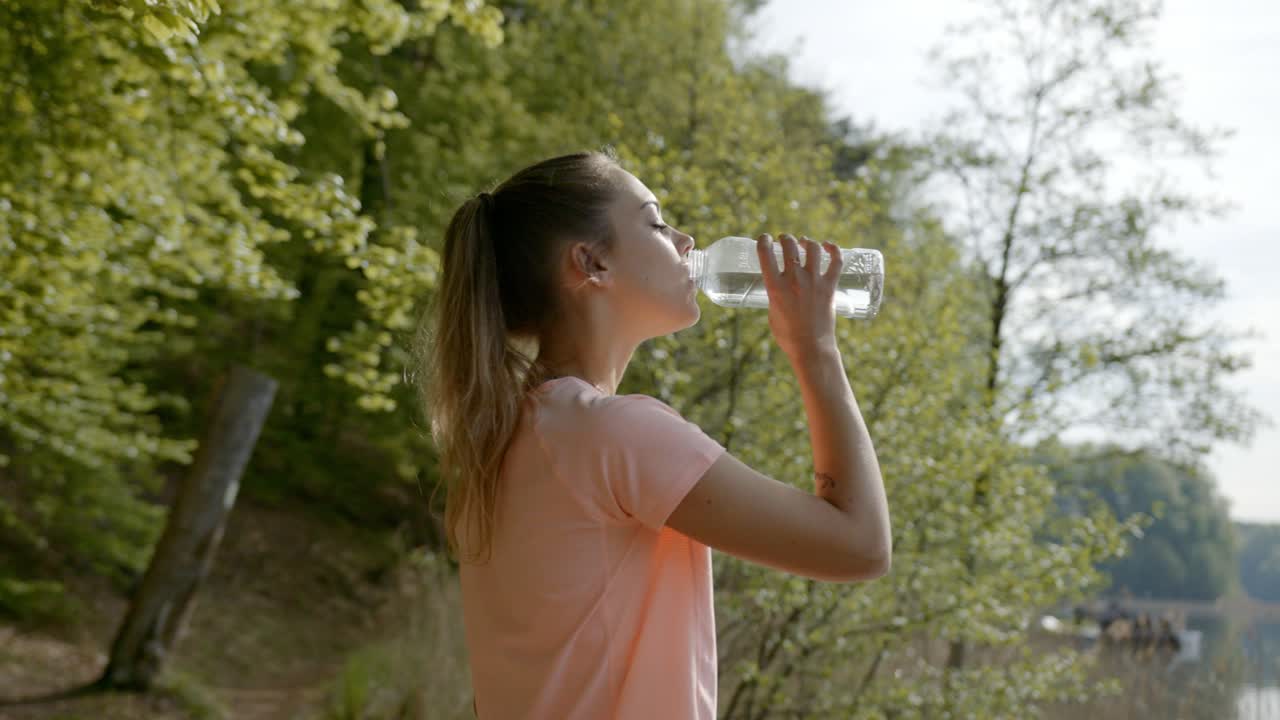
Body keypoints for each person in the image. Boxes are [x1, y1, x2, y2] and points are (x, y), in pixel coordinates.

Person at [412, 149, 891, 719]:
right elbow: (860, 546)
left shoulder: (503, 443)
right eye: (656, 222)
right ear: (591, 264)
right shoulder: (615, 433)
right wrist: (814, 347)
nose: (686, 239)